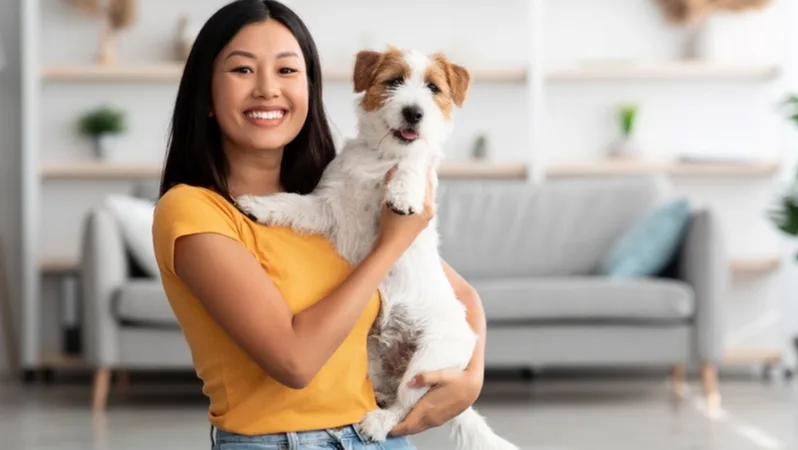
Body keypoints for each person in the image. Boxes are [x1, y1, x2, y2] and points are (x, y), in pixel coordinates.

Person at [151, 0, 489, 449]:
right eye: (243, 70)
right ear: (205, 96)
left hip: (379, 437)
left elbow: (462, 296)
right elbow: (294, 362)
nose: (268, 89)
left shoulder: (335, 189)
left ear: (310, 89)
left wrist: (471, 380)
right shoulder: (193, 212)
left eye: (288, 70)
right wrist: (388, 245)